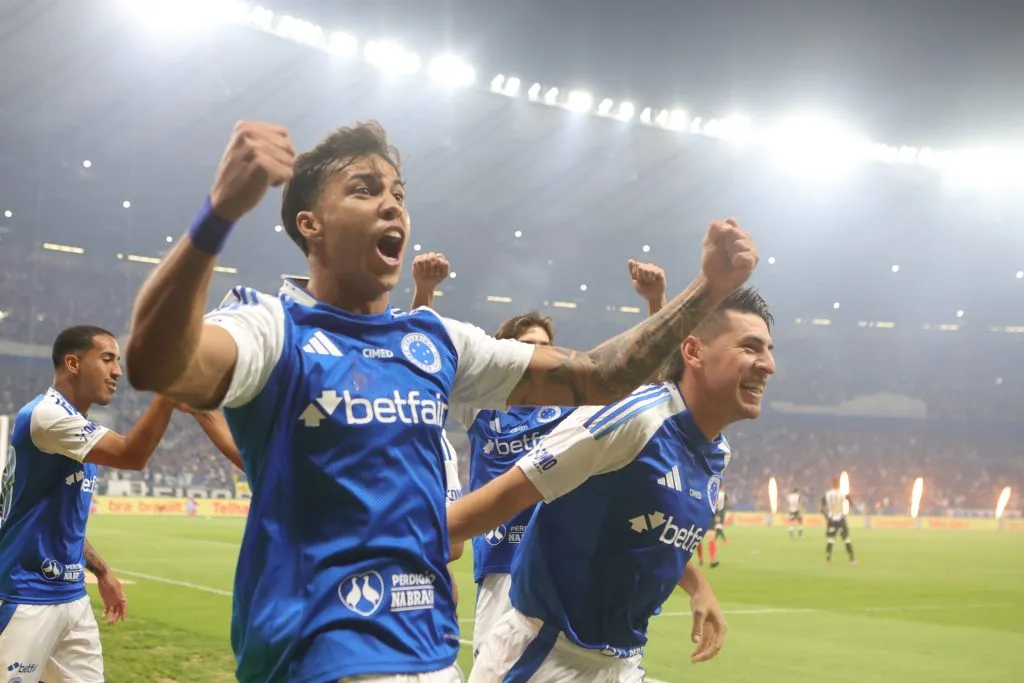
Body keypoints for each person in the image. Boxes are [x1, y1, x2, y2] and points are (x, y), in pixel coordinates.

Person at [124, 120, 758, 683]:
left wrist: (709, 287)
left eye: (398, 193)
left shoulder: (435, 342)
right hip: (321, 652)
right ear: (308, 225)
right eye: (364, 189)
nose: (392, 207)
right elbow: (156, 363)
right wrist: (217, 216)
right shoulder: (271, 327)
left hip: (431, 651)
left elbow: (597, 375)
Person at [447, 288, 775, 682]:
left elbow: (648, 535)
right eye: (750, 348)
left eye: (769, 350)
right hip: (543, 658)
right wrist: (402, 552)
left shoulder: (716, 452)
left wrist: (700, 588)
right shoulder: (630, 419)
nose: (768, 364)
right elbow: (511, 494)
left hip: (622, 663)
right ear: (693, 352)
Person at [412, 251, 671, 658]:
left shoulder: (575, 411)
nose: (539, 356)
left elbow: (644, 387)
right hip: (499, 568)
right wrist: (424, 292)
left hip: (559, 568)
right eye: (528, 347)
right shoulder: (481, 406)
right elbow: (420, 365)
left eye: (546, 348)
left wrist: (655, 304)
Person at [0, 325, 176, 682]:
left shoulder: (75, 426)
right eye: (108, 359)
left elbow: (61, 523)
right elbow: (133, 454)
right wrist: (171, 391)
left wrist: (102, 570)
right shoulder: (46, 416)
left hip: (72, 597)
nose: (117, 372)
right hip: (26, 596)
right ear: (73, 363)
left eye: (118, 361)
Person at [821, 478, 856, 565]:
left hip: (831, 519)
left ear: (831, 484)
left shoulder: (827, 494)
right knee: (846, 539)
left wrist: (826, 517)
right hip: (841, 519)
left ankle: (828, 559)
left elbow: (821, 507)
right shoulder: (843, 493)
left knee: (830, 540)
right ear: (839, 484)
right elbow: (852, 503)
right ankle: (852, 560)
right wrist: (849, 508)